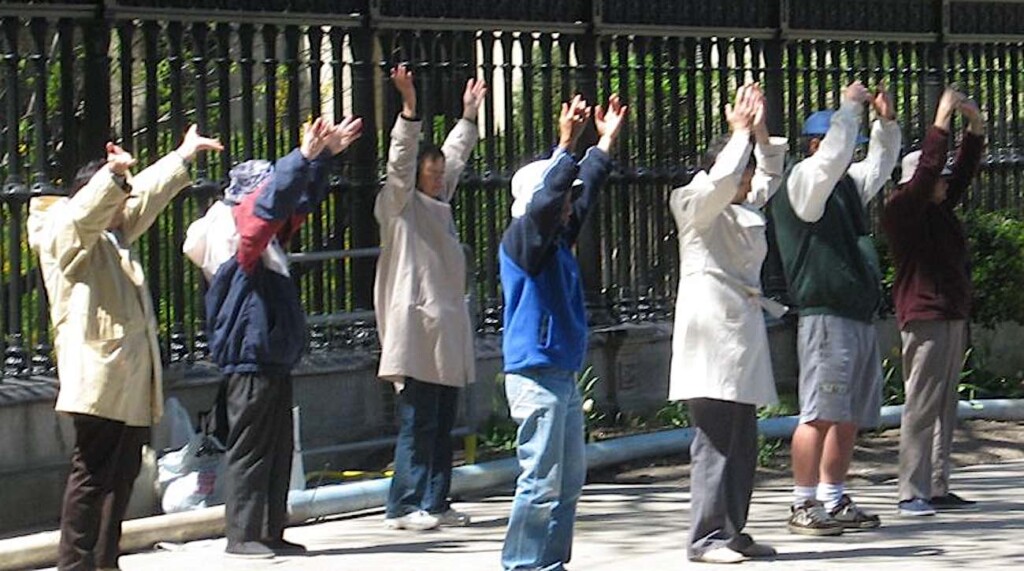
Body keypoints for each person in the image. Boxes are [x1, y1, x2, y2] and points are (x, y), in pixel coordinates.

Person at [28, 126, 223, 570]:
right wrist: (111, 178)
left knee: (122, 476)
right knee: (93, 476)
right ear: (95, 196)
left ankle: (105, 560)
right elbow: (81, 219)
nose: (126, 205)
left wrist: (182, 156)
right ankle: (76, 564)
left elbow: (147, 197)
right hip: (98, 380)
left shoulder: (114, 236)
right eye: (118, 196)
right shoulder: (64, 232)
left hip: (129, 381)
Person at [199, 116, 363, 559]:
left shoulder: (267, 239)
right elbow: (271, 206)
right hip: (250, 359)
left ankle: (270, 530)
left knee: (277, 451)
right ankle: (243, 535)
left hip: (271, 357)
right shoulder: (242, 239)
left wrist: (323, 159)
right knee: (250, 450)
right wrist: (304, 156)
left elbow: (295, 200)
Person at [499, 93, 627, 571]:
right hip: (536, 375)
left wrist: (605, 142)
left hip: (562, 373)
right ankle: (523, 564)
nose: (572, 204)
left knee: (568, 481)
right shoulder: (524, 242)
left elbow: (584, 191)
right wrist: (567, 144)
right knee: (540, 479)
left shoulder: (556, 240)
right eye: (564, 198)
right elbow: (551, 199)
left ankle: (552, 562)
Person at [769, 80, 901, 535]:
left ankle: (833, 496)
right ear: (816, 144)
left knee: (847, 415)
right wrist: (849, 108)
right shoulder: (805, 181)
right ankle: (802, 502)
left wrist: (885, 124)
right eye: (843, 143)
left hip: (854, 313)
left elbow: (879, 166)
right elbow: (831, 159)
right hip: (825, 313)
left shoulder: (844, 186)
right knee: (819, 412)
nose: (850, 153)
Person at [669, 83, 787, 564]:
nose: (750, 182)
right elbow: (722, 185)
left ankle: (733, 529)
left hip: (740, 335)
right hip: (710, 336)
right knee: (715, 441)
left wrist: (760, 135)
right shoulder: (693, 200)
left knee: (743, 443)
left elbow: (770, 179)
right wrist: (740, 138)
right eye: (744, 173)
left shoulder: (741, 203)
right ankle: (706, 537)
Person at [374, 64, 487, 531]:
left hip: (443, 331)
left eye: (441, 174)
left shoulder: (438, 204)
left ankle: (435, 500)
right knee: (418, 423)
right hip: (417, 329)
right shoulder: (399, 206)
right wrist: (409, 109)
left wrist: (469, 116)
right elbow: (400, 162)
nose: (439, 179)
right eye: (431, 174)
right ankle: (403, 504)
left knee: (442, 424)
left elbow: (456, 157)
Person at [882, 87, 985, 517]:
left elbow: (961, 171)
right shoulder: (903, 211)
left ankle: (937, 485)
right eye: (936, 180)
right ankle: (911, 491)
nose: (945, 183)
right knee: (922, 405)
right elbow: (929, 171)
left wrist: (975, 128)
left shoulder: (940, 209)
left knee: (946, 406)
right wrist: (940, 122)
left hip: (950, 314)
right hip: (923, 316)